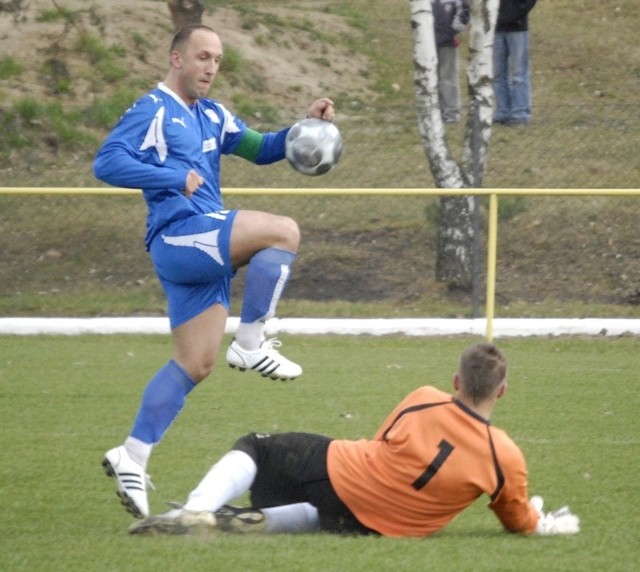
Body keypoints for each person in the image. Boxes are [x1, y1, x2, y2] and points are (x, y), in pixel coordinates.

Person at [93, 23, 336, 520]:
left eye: (218, 60)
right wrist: (169, 176)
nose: (210, 67)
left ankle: (132, 455)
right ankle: (250, 343)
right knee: (283, 231)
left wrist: (300, 128)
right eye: (202, 56)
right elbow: (107, 162)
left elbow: (263, 149)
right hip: (181, 236)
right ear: (177, 58)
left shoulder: (212, 115)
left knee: (195, 363)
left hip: (202, 246)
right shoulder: (153, 109)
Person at [128, 343, 580, 538]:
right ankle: (252, 520)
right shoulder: (505, 457)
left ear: (456, 380)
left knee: (257, 447)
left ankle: (197, 509)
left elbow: (383, 444)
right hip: (386, 528)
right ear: (501, 391)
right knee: (323, 516)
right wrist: (539, 520)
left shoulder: (425, 398)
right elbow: (519, 520)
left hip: (346, 474)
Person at [492, 0, 538, 125]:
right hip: (495, 27)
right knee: (497, 74)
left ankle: (520, 113)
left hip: (517, 27)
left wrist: (515, 14)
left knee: (519, 73)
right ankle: (502, 112)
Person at [433, 0, 470, 124]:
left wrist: (456, 28)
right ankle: (435, 110)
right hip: (429, 39)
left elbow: (464, 9)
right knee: (432, 77)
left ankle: (451, 112)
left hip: (448, 40)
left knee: (448, 77)